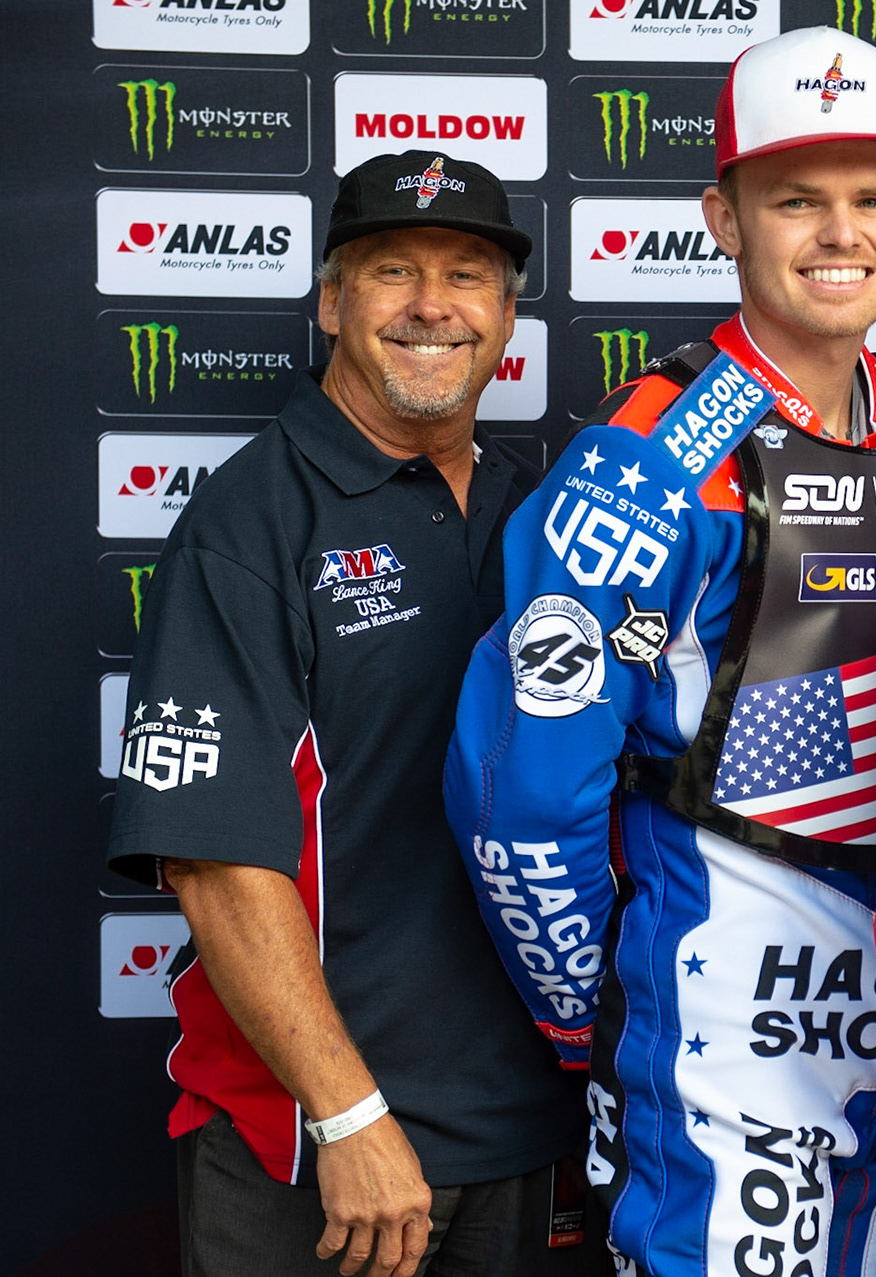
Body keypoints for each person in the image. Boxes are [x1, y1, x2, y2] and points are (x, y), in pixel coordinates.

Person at [442, 26, 876, 1277]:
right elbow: (521, 788)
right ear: (724, 219)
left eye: (874, 198)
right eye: (797, 199)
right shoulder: (654, 457)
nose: (842, 233)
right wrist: (600, 1016)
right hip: (719, 1053)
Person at [108, 152, 605, 1277]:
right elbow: (214, 861)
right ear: (333, 303)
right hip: (314, 1147)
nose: (432, 305)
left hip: (529, 1134)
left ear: (506, 316)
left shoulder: (547, 520)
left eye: (466, 275)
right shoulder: (250, 522)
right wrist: (347, 1115)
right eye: (392, 270)